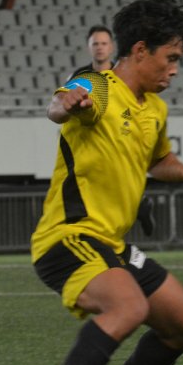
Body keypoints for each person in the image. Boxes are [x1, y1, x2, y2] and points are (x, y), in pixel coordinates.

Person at [17, 0, 183, 365]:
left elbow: (158, 160)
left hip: (112, 245)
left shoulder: (154, 109)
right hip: (68, 237)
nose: (175, 70)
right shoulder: (98, 87)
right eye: (171, 58)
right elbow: (60, 105)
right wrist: (66, 102)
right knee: (128, 307)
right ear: (141, 50)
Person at [67, 24, 157, 236]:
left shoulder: (124, 74)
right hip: (89, 137)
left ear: (112, 47)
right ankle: (138, 204)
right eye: (95, 44)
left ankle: (136, 205)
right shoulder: (79, 76)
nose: (100, 47)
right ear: (89, 47)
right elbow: (64, 104)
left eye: (103, 43)